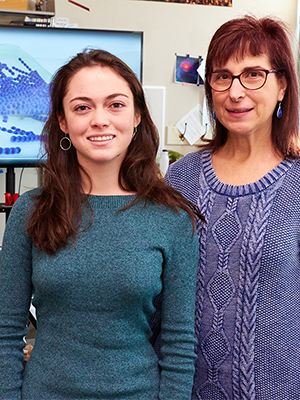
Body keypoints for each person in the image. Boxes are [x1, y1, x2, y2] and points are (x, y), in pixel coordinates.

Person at [0, 49, 202, 400]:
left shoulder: (172, 218)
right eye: (82, 107)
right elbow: (5, 332)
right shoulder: (31, 212)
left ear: (137, 115)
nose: (99, 120)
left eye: (115, 104)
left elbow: (179, 343)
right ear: (62, 121)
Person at [165, 15, 300, 400]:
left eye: (253, 74)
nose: (235, 92)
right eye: (222, 76)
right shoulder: (181, 178)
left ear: (282, 86)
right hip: (183, 391)